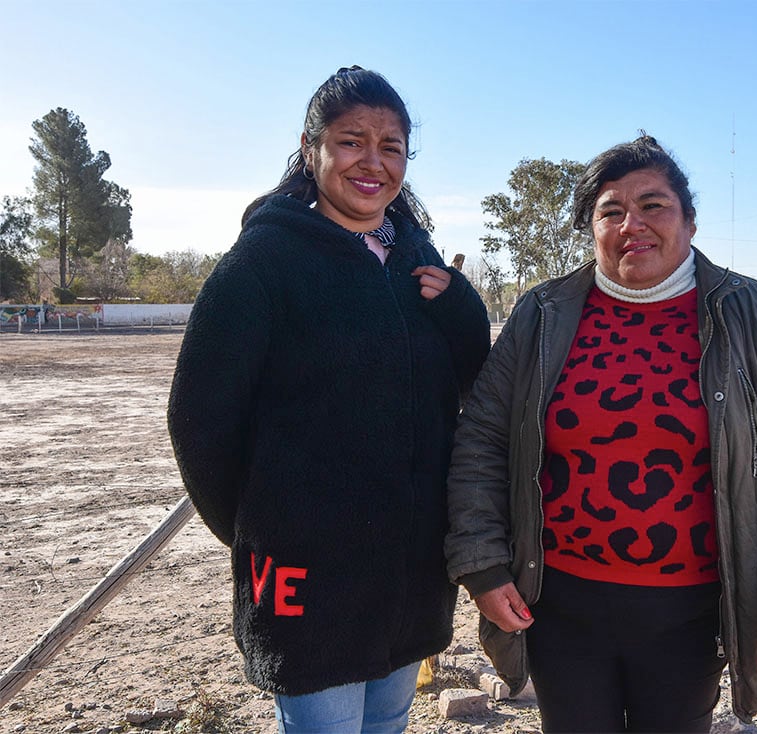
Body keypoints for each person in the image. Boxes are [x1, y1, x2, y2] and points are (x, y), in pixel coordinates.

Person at [444, 135, 757, 731]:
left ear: (688, 220)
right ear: (591, 229)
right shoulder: (543, 315)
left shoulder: (752, 315)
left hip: (694, 612)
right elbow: (480, 441)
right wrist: (483, 566)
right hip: (559, 606)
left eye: (653, 205)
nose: (633, 224)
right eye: (611, 211)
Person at [166, 67, 490, 733]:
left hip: (409, 574)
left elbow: (474, 391)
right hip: (308, 581)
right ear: (311, 147)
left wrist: (463, 309)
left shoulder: (415, 259)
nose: (373, 162)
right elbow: (199, 422)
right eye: (351, 141)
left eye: (392, 145)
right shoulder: (264, 263)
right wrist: (265, 528)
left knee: (389, 723)